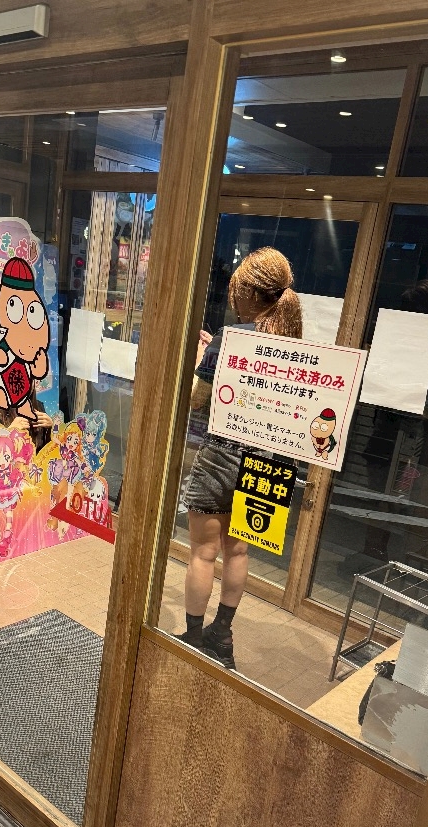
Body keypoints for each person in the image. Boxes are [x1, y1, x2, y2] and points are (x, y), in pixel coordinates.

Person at [179, 247, 303, 669]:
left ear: (248, 293)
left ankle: (194, 637)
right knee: (238, 552)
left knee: (203, 553)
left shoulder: (231, 339)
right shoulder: (296, 346)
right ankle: (222, 635)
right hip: (269, 461)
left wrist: (204, 358)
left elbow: (197, 399)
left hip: (221, 455)